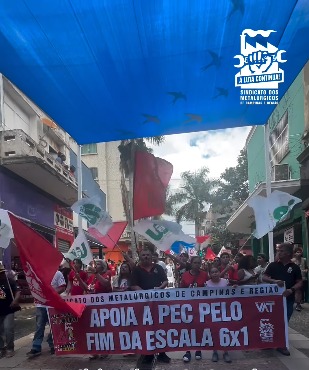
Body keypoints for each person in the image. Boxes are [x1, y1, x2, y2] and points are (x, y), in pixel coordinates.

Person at [131, 248, 170, 365]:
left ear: (151, 256)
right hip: (144, 305)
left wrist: (159, 288)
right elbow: (133, 285)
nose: (146, 257)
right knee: (147, 329)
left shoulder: (158, 268)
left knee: (160, 327)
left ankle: (162, 353)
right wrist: (144, 294)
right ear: (140, 257)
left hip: (159, 304)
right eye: (144, 255)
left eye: (148, 255)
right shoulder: (136, 270)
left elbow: (165, 281)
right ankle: (148, 354)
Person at [263, 243, 303, 356]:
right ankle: (270, 342)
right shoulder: (272, 265)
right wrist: (274, 281)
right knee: (271, 321)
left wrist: (291, 290)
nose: (278, 252)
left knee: (284, 321)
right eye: (278, 250)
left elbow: (299, 282)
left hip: (288, 299)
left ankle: (281, 344)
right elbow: (264, 277)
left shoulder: (295, 267)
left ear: (288, 253)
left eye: (281, 251)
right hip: (273, 300)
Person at [27, 270, 66, 358]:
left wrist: (50, 294)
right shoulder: (37, 272)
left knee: (54, 325)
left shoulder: (57, 273)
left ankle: (53, 345)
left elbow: (62, 287)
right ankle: (36, 347)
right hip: (40, 304)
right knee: (39, 326)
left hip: (52, 305)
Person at [180, 256, 208, 363]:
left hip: (201, 306)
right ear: (191, 263)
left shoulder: (205, 275)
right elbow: (181, 290)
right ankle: (187, 351)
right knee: (188, 328)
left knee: (199, 328)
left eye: (199, 263)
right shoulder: (185, 275)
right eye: (195, 262)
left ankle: (198, 350)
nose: (197, 264)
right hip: (188, 306)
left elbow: (209, 288)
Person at [205, 266, 232, 363]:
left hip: (224, 311)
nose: (215, 274)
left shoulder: (225, 282)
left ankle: (226, 352)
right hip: (212, 311)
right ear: (210, 274)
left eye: (216, 271)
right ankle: (215, 351)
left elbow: (232, 294)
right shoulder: (207, 284)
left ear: (219, 272)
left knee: (225, 332)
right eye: (212, 272)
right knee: (214, 332)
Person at [0, 263, 21, 358]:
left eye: (2, 273)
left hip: (9, 309)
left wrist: (15, 300)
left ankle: (10, 348)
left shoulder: (10, 281)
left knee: (8, 329)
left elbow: (18, 291)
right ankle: (1, 348)